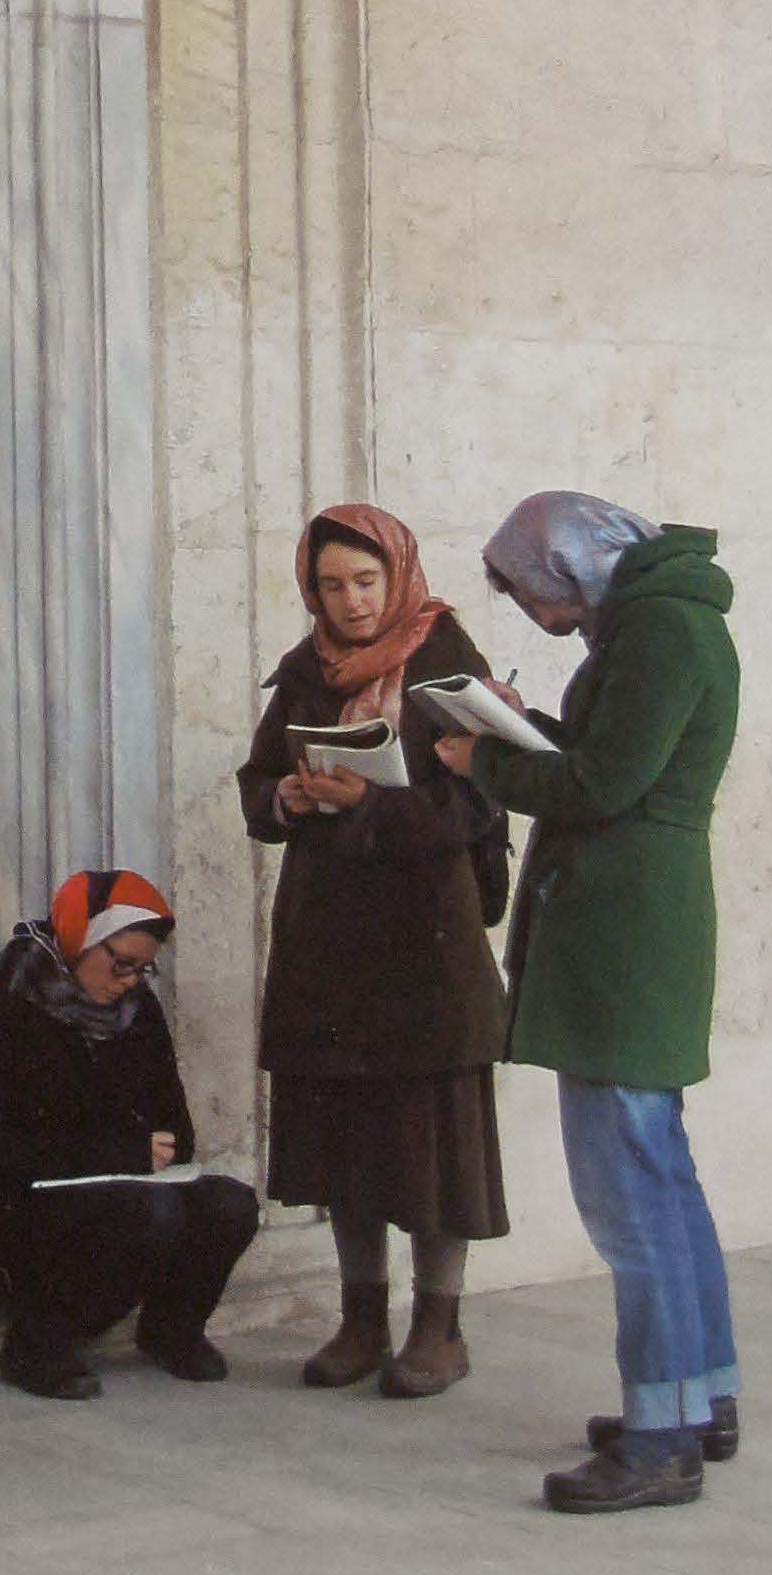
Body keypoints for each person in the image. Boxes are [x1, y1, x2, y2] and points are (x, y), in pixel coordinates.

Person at [436, 493, 741, 1514]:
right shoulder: (666, 616)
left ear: (568, 566)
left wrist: (483, 756)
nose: (532, 612)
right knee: (664, 1176)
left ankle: (660, 1440)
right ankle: (700, 1400)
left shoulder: (658, 626)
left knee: (629, 1199)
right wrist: (522, 722)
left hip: (624, 937)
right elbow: (615, 758)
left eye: (532, 593)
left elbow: (604, 786)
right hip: (639, 927)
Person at [236, 504, 510, 1398]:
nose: (350, 602)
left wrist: (365, 808)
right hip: (328, 943)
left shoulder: (446, 668)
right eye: (329, 584)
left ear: (397, 575)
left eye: (365, 581)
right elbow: (253, 783)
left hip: (426, 943)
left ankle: (439, 1327)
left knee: (431, 1143)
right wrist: (285, 797)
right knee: (343, 1135)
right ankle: (360, 1319)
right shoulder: (305, 671)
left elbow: (477, 808)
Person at [0, 867, 260, 1400]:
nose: (131, 982)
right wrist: (118, 1150)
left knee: (232, 1204)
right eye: (121, 964)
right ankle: (40, 1341)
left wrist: (141, 1154)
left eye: (143, 970)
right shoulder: (3, 1004)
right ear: (79, 940)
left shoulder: (136, 1011)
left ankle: (171, 1331)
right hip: (20, 1210)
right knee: (150, 1213)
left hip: (120, 1186)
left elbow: (176, 1131)